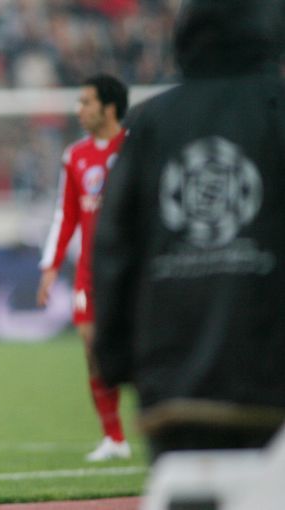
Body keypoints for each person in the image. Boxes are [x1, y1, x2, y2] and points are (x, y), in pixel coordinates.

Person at [93, 0, 285, 460]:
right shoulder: (276, 112)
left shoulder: (150, 122)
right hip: (270, 388)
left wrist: (114, 360)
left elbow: (114, 246)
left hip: (170, 391)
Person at [37, 74, 131, 462]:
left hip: (133, 270)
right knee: (94, 352)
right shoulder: (75, 155)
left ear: (109, 108)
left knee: (146, 351)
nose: (79, 110)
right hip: (90, 274)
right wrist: (50, 266)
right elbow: (67, 214)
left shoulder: (136, 148)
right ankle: (114, 438)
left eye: (86, 102)